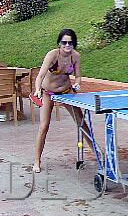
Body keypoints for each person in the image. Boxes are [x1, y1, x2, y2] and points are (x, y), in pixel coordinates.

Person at [33, 29, 91, 173]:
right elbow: (40, 76)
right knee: (44, 126)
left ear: (74, 44)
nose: (67, 45)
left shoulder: (75, 56)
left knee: (81, 122)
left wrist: (77, 83)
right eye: (64, 42)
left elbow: (78, 76)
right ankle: (37, 161)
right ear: (59, 43)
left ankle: (97, 152)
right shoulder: (52, 55)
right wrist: (37, 90)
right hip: (48, 92)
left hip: (66, 91)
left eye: (70, 42)